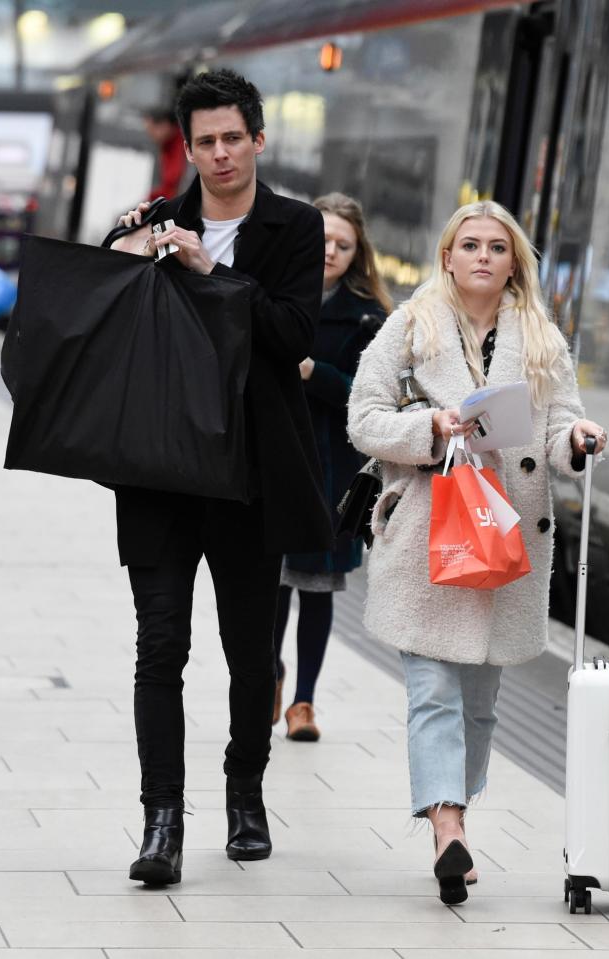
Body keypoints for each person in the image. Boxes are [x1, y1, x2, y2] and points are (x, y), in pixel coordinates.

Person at [347, 200, 607, 905]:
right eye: (470, 245)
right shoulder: (410, 326)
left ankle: (452, 806)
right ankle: (447, 826)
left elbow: (556, 431)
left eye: (497, 246)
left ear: (513, 261)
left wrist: (577, 440)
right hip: (430, 537)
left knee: (479, 704)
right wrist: (429, 426)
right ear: (447, 257)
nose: (484, 256)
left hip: (505, 542)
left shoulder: (543, 340)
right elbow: (362, 417)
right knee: (433, 691)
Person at [109, 69, 331, 886]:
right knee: (158, 645)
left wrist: (209, 271)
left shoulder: (295, 227)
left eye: (232, 137)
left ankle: (245, 793)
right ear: (188, 147)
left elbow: (291, 332)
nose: (219, 153)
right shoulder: (157, 220)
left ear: (258, 139)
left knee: (247, 651)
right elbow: (112, 327)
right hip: (160, 468)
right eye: (204, 141)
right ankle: (161, 818)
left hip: (248, 470)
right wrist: (125, 251)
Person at [273, 192, 392, 741]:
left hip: (330, 474)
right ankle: (268, 677)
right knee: (271, 585)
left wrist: (313, 372)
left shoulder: (369, 317)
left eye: (343, 245)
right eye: (323, 240)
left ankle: (304, 703)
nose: (331, 252)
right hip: (273, 463)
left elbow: (368, 398)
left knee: (317, 589)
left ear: (357, 251)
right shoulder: (273, 290)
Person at [142, 108, 187, 202]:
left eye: (152, 129)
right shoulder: (163, 146)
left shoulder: (183, 145)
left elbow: (175, 181)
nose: (150, 135)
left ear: (165, 125)